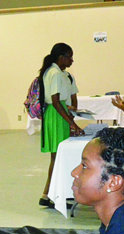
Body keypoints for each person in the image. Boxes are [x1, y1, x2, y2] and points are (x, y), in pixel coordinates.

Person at [38, 42, 83, 208]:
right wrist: (72, 123)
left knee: (57, 158)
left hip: (57, 113)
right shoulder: (55, 73)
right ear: (61, 57)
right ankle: (53, 196)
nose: (72, 60)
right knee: (57, 158)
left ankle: (48, 194)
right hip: (56, 115)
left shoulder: (55, 72)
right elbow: (56, 101)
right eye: (69, 56)